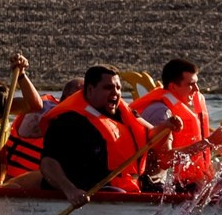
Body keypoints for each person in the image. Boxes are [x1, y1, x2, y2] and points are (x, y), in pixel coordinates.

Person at [38, 65, 157, 207]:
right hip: (85, 193)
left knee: (160, 189)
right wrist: (70, 190)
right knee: (116, 193)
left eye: (118, 88)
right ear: (90, 90)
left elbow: (153, 136)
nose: (115, 93)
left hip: (126, 188)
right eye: (108, 87)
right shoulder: (68, 121)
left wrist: (168, 126)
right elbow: (48, 163)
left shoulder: (126, 115)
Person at [132, 57, 222, 190]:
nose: (196, 89)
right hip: (150, 184)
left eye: (196, 83)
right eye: (190, 84)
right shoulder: (161, 112)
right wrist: (208, 142)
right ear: (173, 87)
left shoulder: (178, 109)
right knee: (218, 184)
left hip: (168, 182)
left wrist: (218, 144)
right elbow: (165, 160)